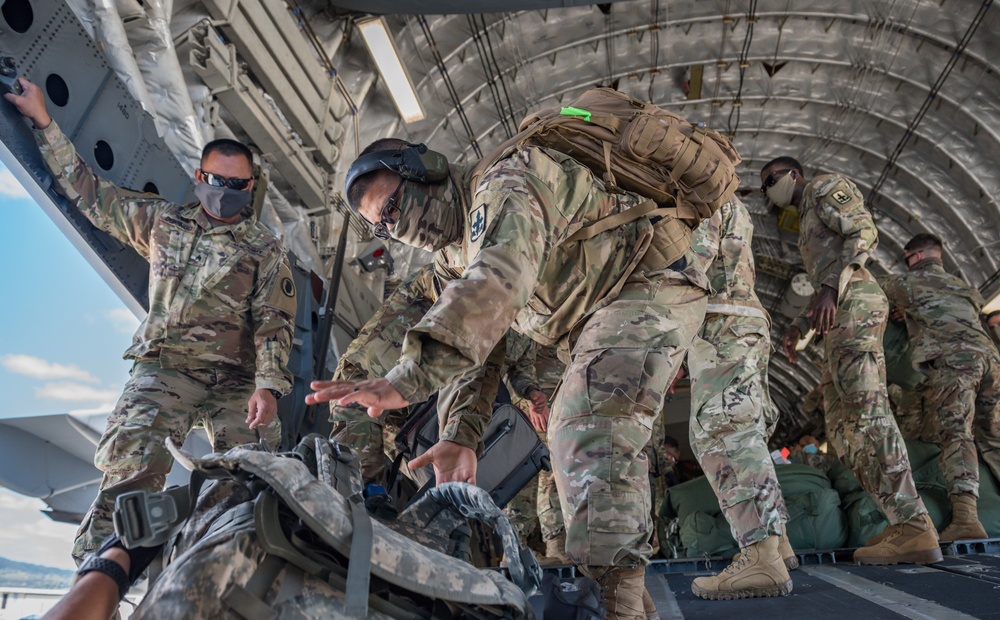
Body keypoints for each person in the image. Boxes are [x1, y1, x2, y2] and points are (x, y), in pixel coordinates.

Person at [308, 139, 710, 619]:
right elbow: (481, 352)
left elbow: (500, 280)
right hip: (602, 313)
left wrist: (408, 378)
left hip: (649, 281)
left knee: (584, 426)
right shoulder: (456, 256)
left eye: (394, 206)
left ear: (425, 170)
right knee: (572, 436)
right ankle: (627, 601)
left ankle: (615, 607)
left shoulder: (506, 184)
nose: (399, 229)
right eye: (384, 226)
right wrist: (459, 436)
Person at [5, 77, 297, 562]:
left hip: (237, 382)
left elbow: (274, 322)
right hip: (165, 369)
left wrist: (267, 387)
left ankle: (231, 577)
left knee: (251, 478)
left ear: (250, 187)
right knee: (132, 466)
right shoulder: (163, 223)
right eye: (217, 181)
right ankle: (97, 576)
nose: (226, 192)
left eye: (237, 185)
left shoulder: (265, 250)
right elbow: (91, 194)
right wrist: (43, 120)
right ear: (200, 177)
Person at [760, 156, 941, 565]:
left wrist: (829, 287)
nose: (770, 189)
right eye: (765, 185)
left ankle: (915, 523)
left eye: (773, 179)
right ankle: (899, 519)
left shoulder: (825, 187)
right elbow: (825, 275)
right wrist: (799, 324)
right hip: (837, 316)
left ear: (794, 174)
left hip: (855, 304)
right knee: (843, 431)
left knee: (868, 413)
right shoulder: (806, 221)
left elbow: (863, 230)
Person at [685, 198, 794, 600]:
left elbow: (689, 266)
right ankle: (778, 545)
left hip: (720, 321)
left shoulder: (697, 191)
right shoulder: (728, 199)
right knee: (744, 433)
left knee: (722, 434)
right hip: (739, 318)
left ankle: (762, 554)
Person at [882, 233, 1000, 540]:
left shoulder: (906, 283)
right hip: (991, 359)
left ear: (917, 256)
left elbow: (868, 286)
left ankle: (966, 520)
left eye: (908, 259)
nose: (907, 264)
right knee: (993, 437)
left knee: (956, 434)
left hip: (955, 361)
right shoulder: (964, 287)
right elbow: (947, 309)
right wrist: (910, 312)